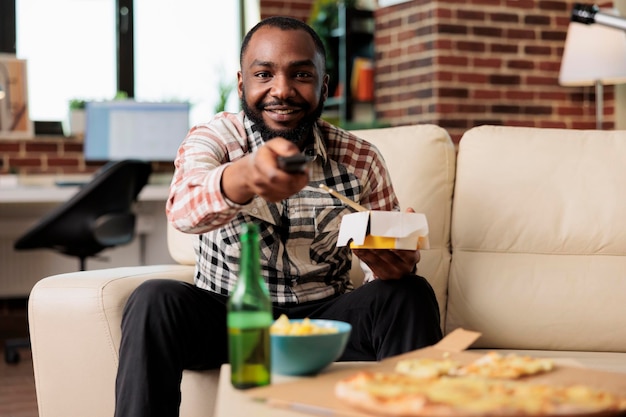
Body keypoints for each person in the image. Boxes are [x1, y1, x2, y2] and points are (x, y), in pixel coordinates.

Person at [114, 16, 442, 417]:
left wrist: (395, 265)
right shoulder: (215, 139)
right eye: (264, 74)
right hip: (229, 320)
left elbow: (384, 258)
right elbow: (184, 212)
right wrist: (245, 175)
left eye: (301, 74)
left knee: (410, 293)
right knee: (152, 299)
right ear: (242, 84)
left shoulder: (361, 159)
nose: (282, 90)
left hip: (323, 324)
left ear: (323, 86)